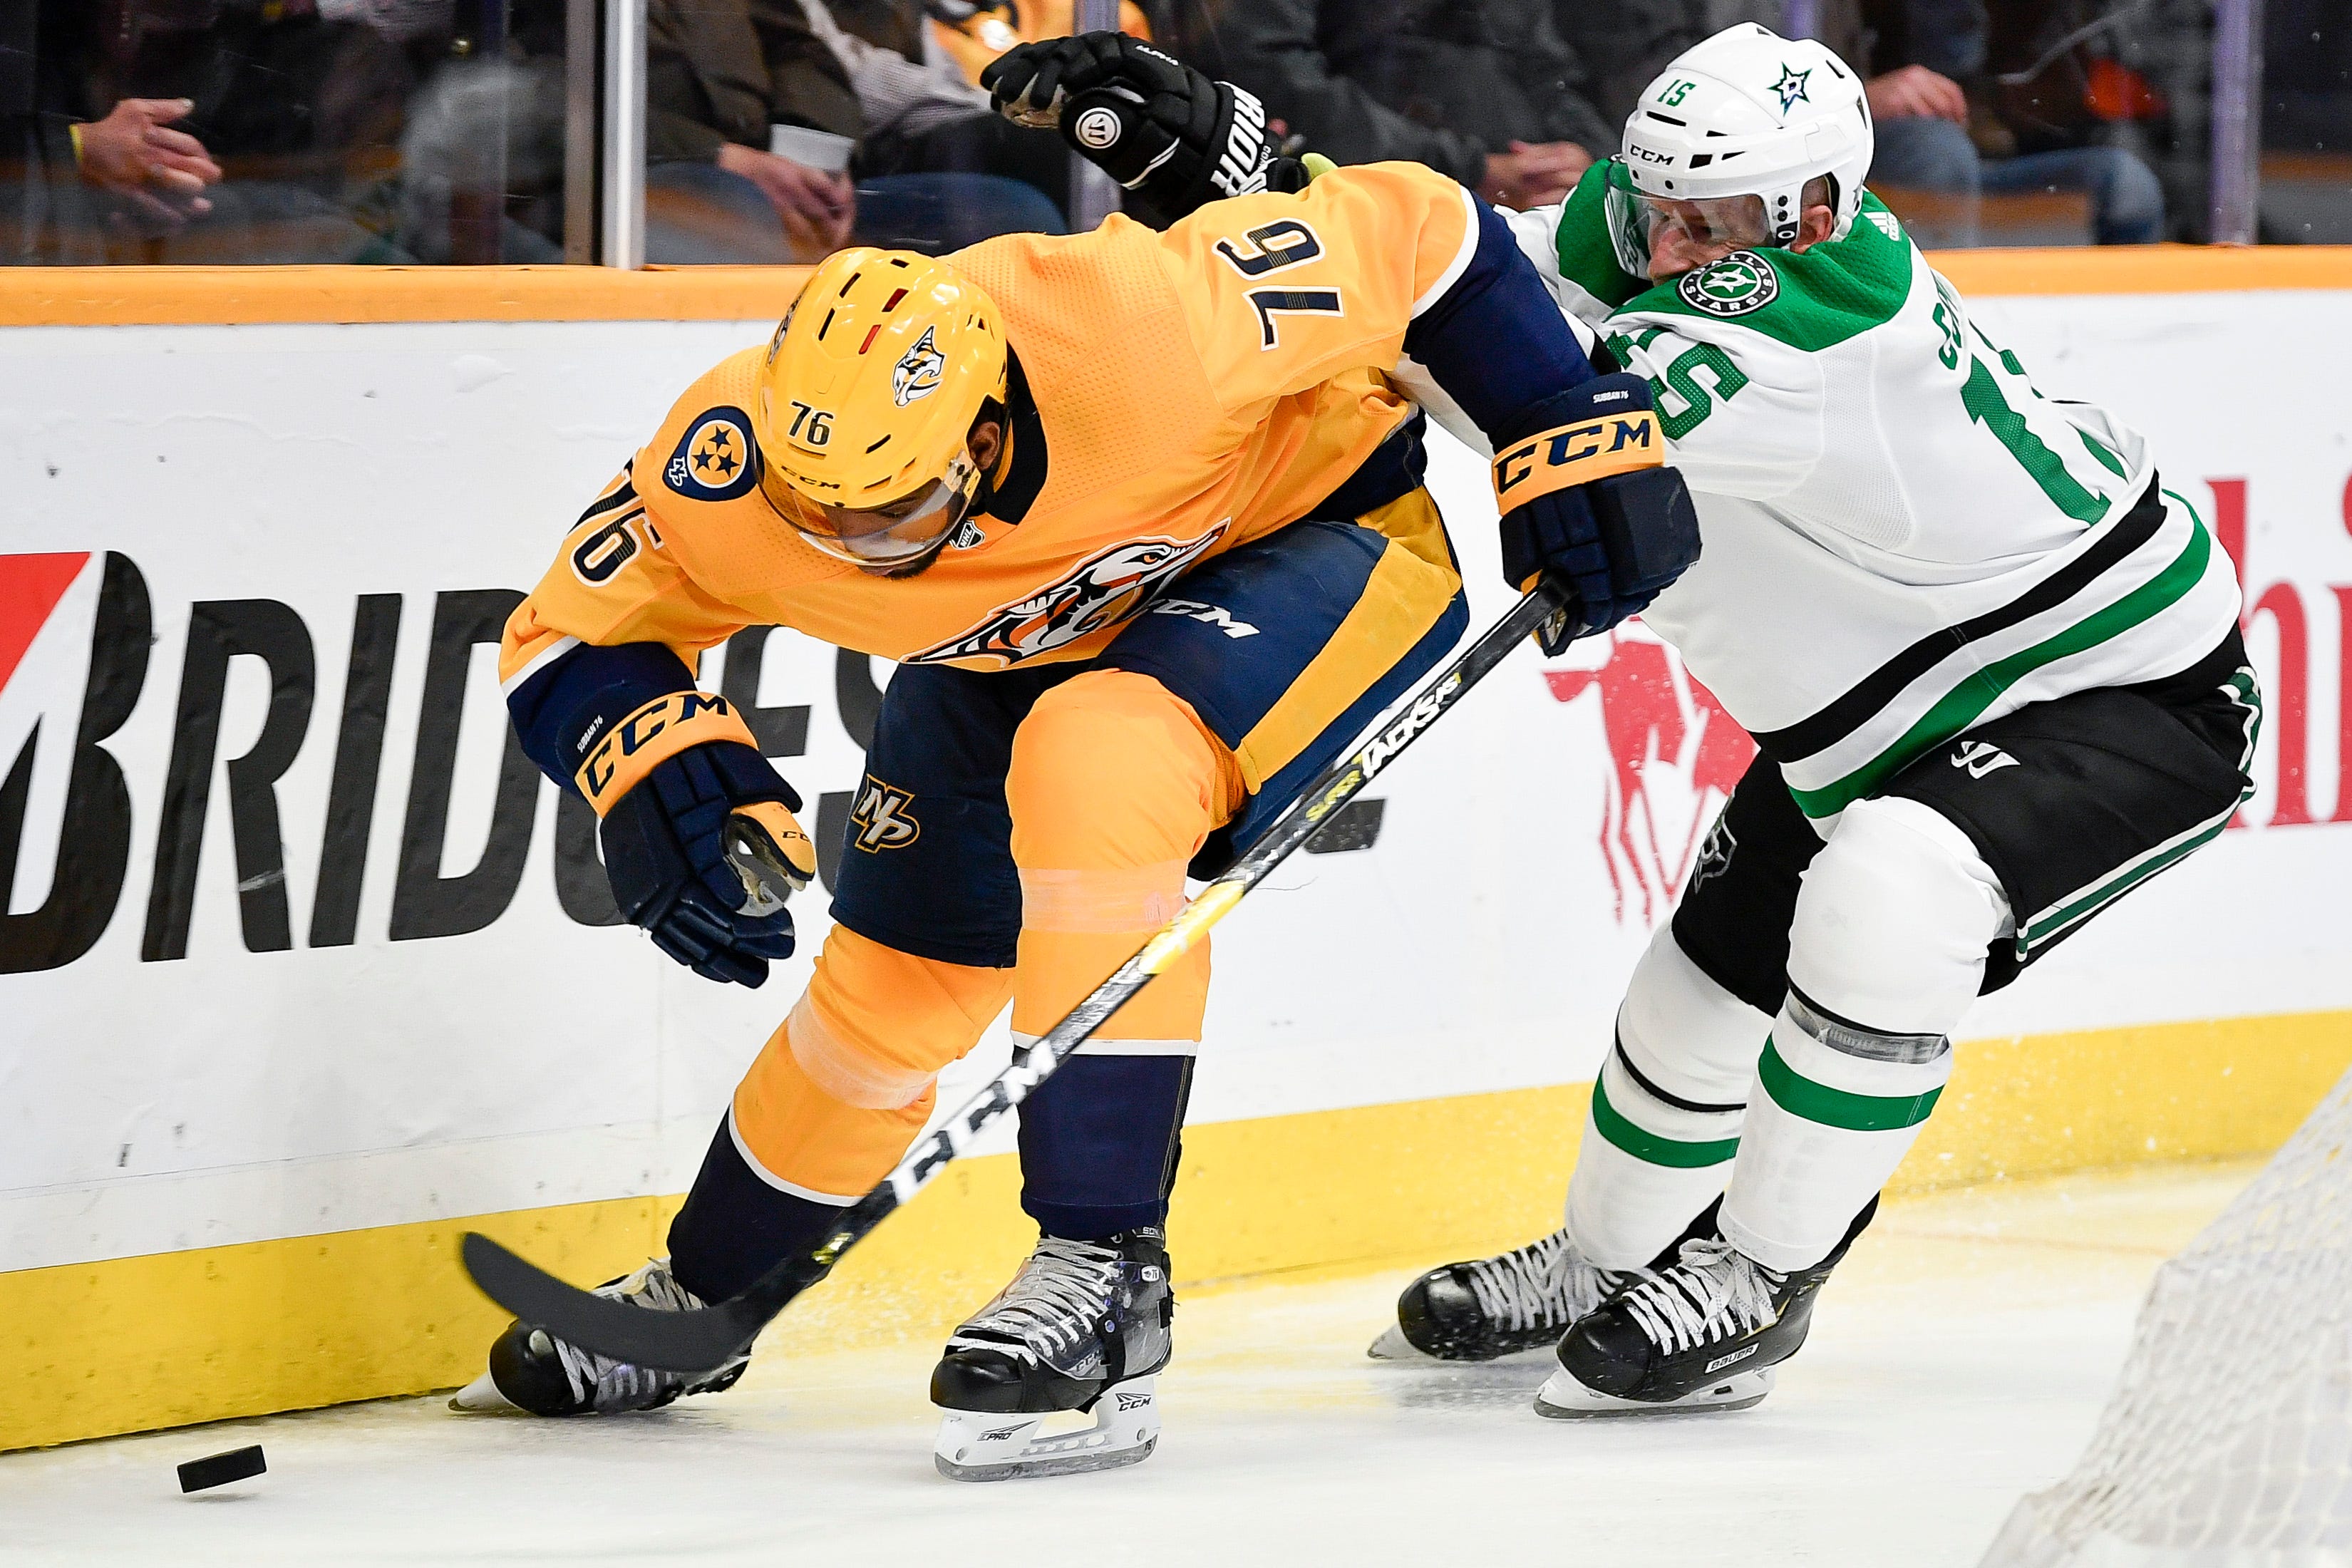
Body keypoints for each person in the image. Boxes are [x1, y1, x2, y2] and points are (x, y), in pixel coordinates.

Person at [455, 36, 1698, 1480]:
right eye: (824, 512)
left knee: (1100, 762)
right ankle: (705, 1293)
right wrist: (646, 753)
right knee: (892, 985)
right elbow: (565, 633)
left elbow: (1426, 229)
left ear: (982, 428)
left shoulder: (1143, 323)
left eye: (894, 506)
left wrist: (1557, 425)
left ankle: (1104, 1268)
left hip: (1315, 541)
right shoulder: (738, 471)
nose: (849, 545)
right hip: (1021, 632)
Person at [1351, 24, 2251, 1415]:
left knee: (1888, 894)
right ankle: (1612, 1259)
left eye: (1709, 225)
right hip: (1886, 712)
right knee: (1698, 992)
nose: (1667, 245)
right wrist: (1249, 195)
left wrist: (1492, 403)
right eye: (1656, 209)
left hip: (2117, 688)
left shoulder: (1812, 320)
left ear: (1817, 213)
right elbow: (1464, 278)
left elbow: (1522, 387)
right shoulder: (1664, 223)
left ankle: (1761, 1276)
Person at [1212, 0, 1614, 212]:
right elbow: (1269, 73)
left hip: (1536, 211)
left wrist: (1593, 166)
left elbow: (1551, 70)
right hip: (1369, 216)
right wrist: (1469, 170)